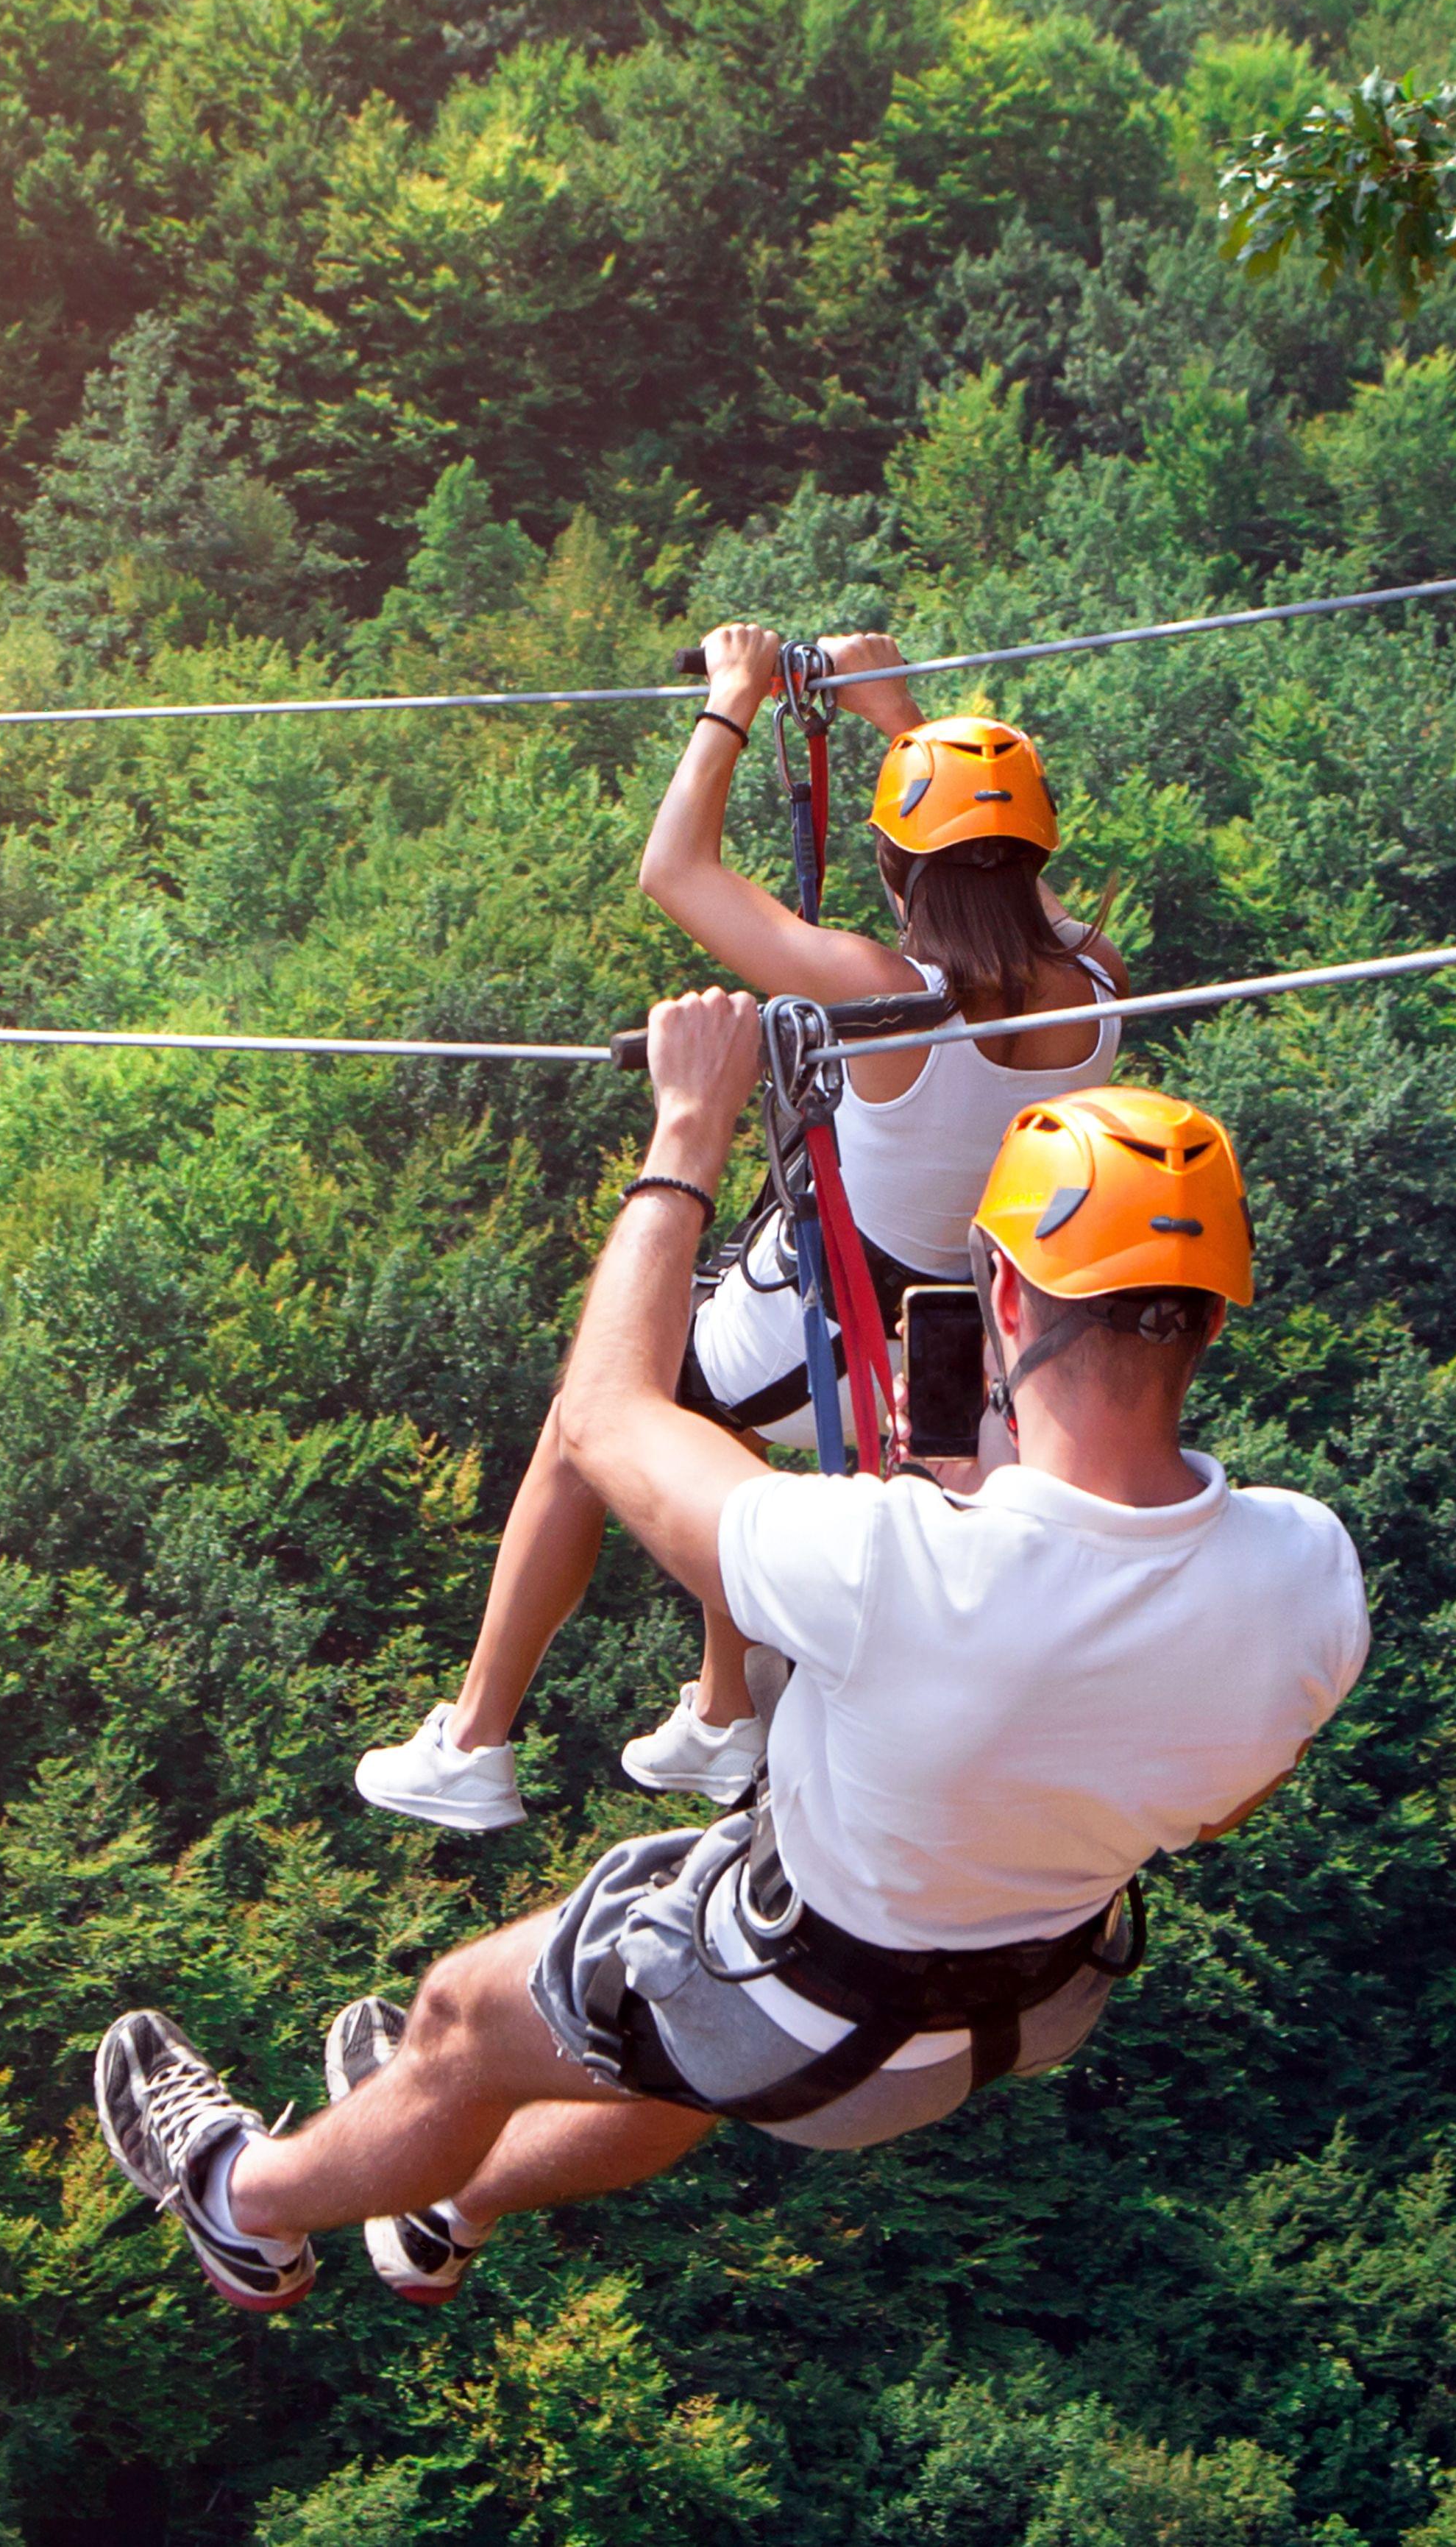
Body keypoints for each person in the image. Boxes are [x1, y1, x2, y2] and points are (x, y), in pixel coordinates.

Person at [98, 996, 1366, 2313]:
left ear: (998, 1288)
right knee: (667, 2048)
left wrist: (687, 1132)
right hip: (1018, 2008)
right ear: (1212, 1319)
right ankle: (445, 2209)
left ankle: (240, 2205)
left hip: (805, 2006)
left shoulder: (888, 1561)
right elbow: (1221, 1803)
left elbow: (603, 1417)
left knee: (459, 2023)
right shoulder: (1307, 1574)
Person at [354, 623, 1132, 1832]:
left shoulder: (881, 993)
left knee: (589, 1415)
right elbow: (1005, 880)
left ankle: (473, 1740)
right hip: (957, 1341)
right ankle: (725, 1714)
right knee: (719, 1417)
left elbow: (674, 870)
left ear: (892, 862)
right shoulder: (1099, 983)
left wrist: (731, 699)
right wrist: (897, 717)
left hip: (834, 1322)